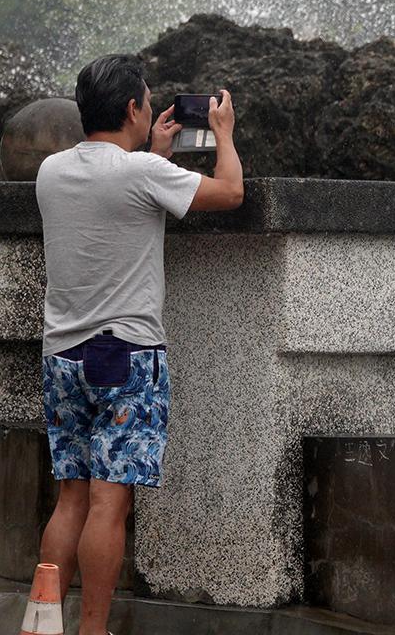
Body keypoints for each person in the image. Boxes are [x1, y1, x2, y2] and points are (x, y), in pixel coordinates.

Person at [33, 54, 244, 635]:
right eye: (147, 103)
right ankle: (92, 630)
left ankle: (43, 621)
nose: (151, 110)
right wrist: (223, 133)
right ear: (131, 109)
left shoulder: (51, 172)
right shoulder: (141, 173)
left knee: (71, 497)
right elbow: (230, 192)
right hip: (124, 355)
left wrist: (154, 154)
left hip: (62, 355)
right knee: (109, 502)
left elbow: (115, 199)